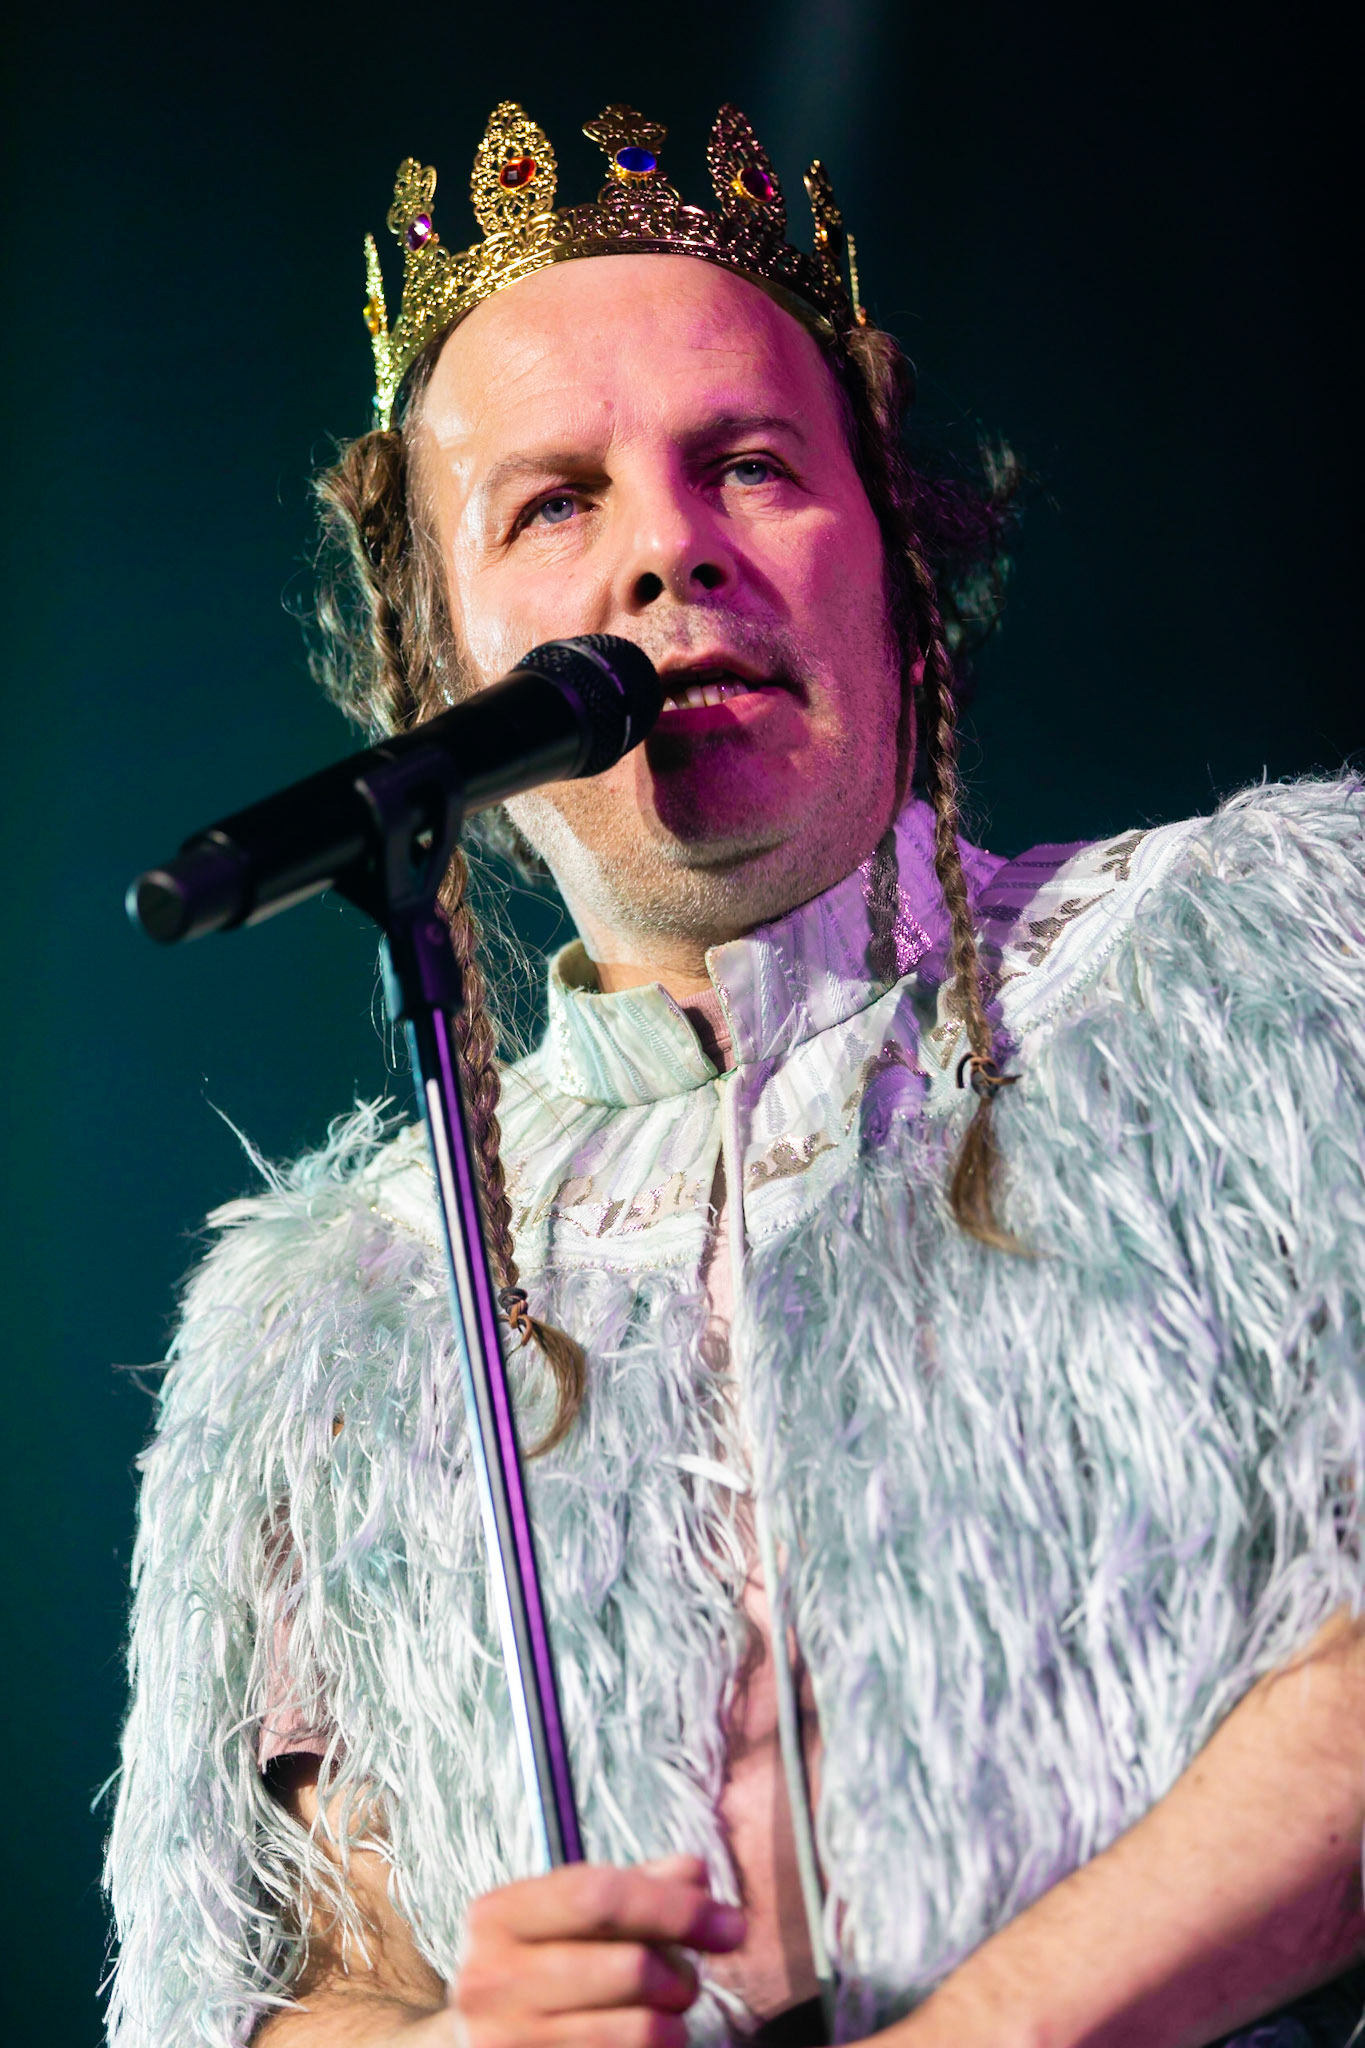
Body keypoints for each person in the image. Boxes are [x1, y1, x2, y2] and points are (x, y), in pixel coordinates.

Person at [105, 101, 1365, 2048]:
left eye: (746, 464)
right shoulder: (334, 1311)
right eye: (551, 503)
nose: (664, 552)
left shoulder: (1269, 970)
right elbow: (305, 1972)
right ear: (432, 656)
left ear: (894, 560)